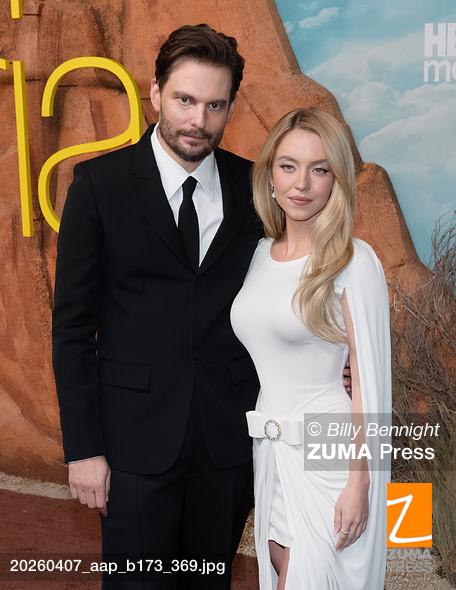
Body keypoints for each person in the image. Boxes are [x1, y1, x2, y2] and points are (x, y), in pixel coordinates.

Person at [52, 24, 263, 590]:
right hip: (132, 447)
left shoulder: (255, 188)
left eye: (215, 105)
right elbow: (72, 328)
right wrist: (84, 450)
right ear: (155, 94)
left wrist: (338, 359)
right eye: (185, 100)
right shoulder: (99, 186)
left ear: (230, 107)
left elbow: (287, 293)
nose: (198, 120)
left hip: (227, 445)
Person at [231, 108, 391, 589]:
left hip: (331, 460)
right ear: (270, 175)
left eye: (319, 169)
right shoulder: (258, 254)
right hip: (269, 454)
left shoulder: (354, 260)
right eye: (288, 166)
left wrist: (361, 481)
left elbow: (370, 384)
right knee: (281, 568)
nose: (301, 183)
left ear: (336, 179)